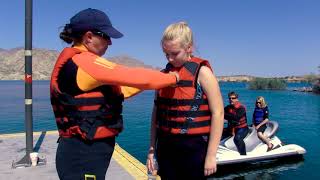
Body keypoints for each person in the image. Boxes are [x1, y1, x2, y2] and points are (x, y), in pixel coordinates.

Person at [50, 8, 180, 180]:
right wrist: (173, 77)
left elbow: (121, 90)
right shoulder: (85, 63)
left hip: (82, 150)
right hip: (84, 153)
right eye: (105, 36)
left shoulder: (79, 63)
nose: (110, 42)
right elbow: (135, 76)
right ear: (89, 37)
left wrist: (159, 77)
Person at [146, 22, 224, 179]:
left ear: (189, 47)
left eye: (174, 53)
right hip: (166, 146)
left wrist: (211, 155)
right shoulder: (163, 75)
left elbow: (218, 113)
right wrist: (152, 149)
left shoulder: (202, 72)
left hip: (194, 147)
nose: (169, 58)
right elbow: (156, 113)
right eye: (166, 54)